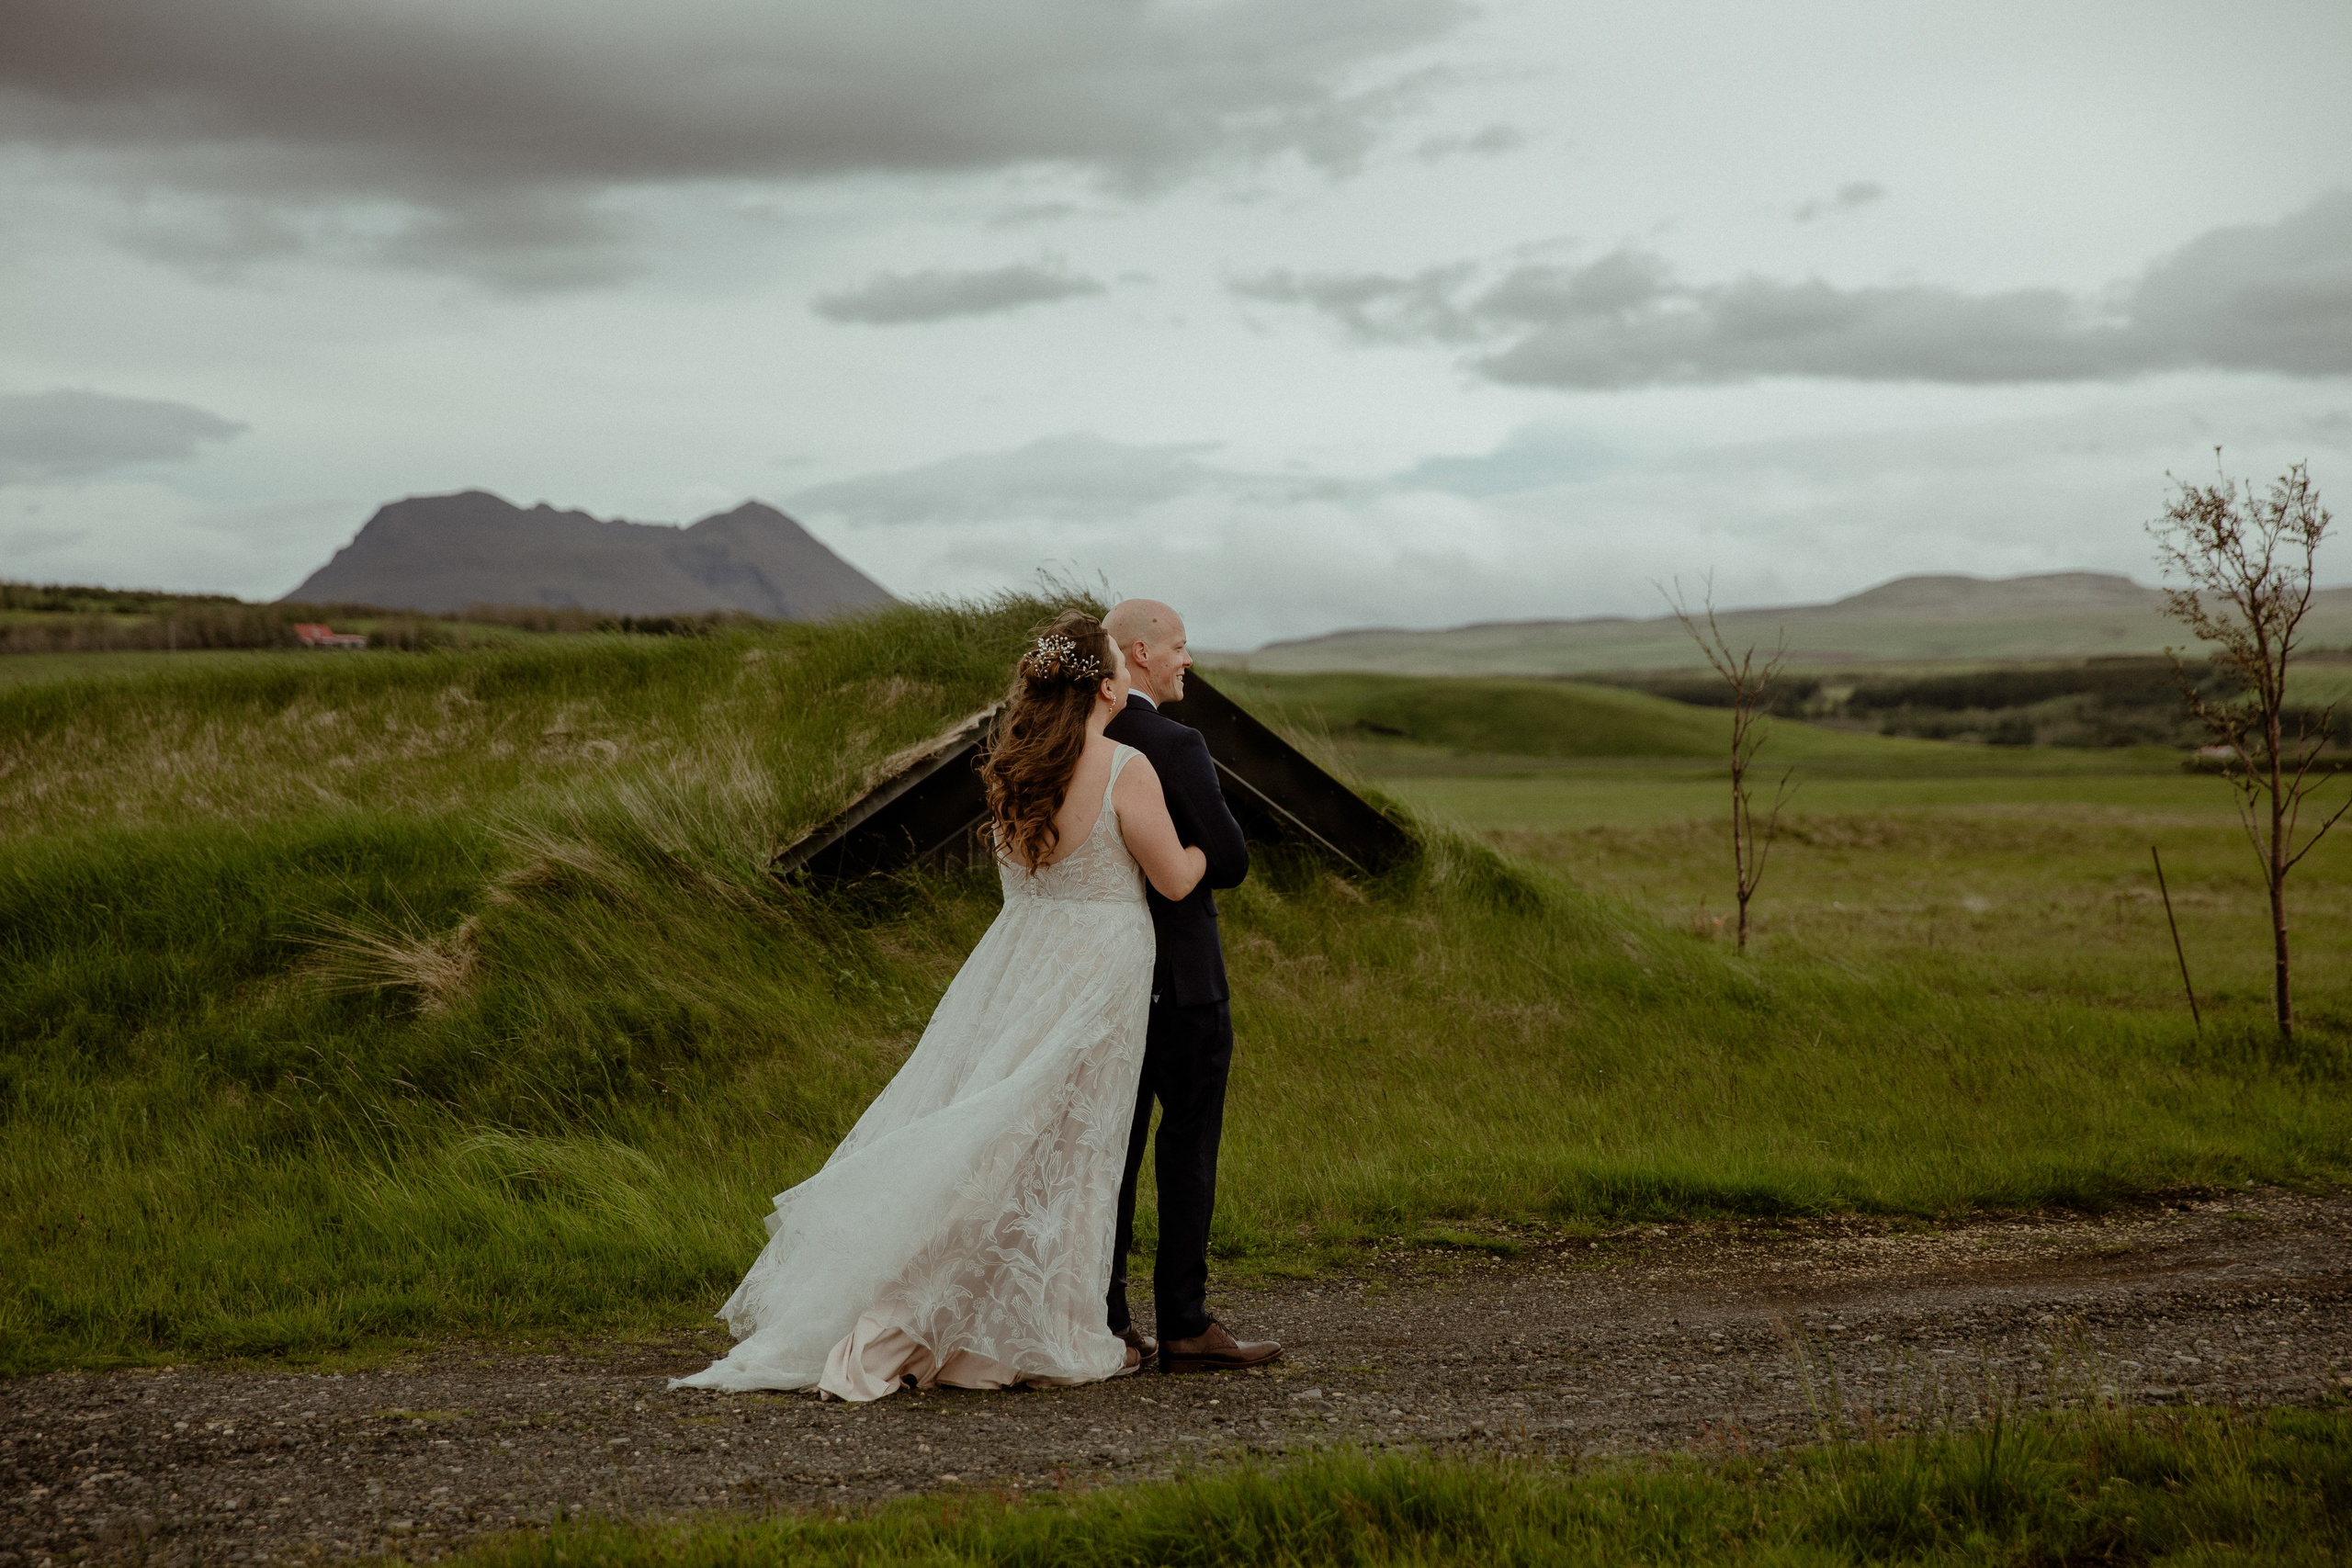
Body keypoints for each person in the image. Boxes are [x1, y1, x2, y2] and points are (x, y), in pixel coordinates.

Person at [672, 612, 1208, 1400]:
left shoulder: (1021, 768)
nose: (1132, 676)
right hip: (1098, 973)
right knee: (1069, 1143)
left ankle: (999, 1322)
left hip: (1017, 965)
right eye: (1119, 668)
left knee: (1008, 1130)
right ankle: (984, 1324)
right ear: (1103, 683)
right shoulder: (1126, 766)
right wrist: (1200, 847)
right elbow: (1174, 879)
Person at [1100, 598, 1281, 1375]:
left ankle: (1104, 1320)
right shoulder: (1174, 742)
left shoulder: (1081, 739)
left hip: (1102, 980)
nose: (1188, 659)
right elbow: (1232, 859)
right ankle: (1183, 1322)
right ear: (1137, 653)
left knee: (1108, 1153)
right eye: (1178, 646)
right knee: (1188, 1149)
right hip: (1184, 978)